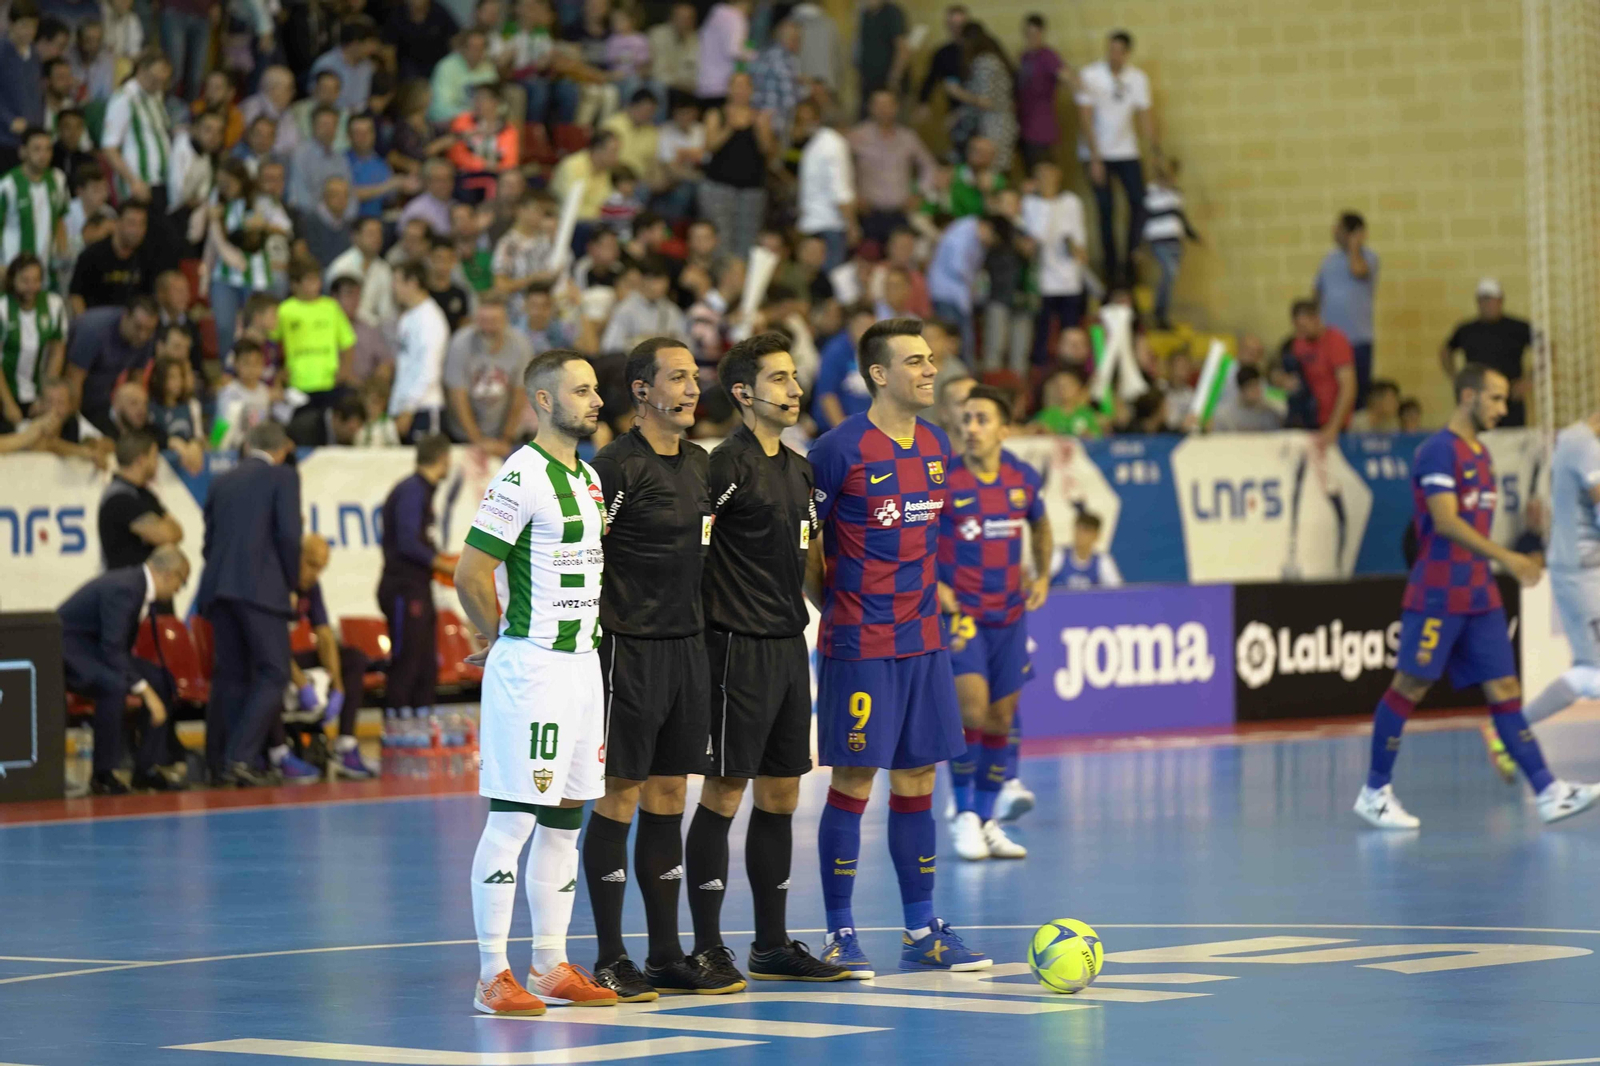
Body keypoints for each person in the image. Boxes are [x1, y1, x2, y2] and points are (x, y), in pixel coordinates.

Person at [807, 317, 990, 977]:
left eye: (931, 358)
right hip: (859, 641)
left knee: (917, 778)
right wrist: (838, 609)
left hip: (923, 641)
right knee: (855, 780)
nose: (929, 370)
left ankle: (922, 930)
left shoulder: (937, 444)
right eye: (914, 361)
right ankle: (840, 934)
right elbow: (809, 544)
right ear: (878, 374)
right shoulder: (839, 448)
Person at [1353, 364, 1598, 829]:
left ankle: (1548, 791)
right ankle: (1375, 792)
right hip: (1438, 592)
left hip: (1479, 594)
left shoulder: (1481, 455)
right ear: (1468, 396)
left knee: (1505, 690)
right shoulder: (1436, 452)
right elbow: (1445, 522)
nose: (1503, 409)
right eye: (1496, 399)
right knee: (1410, 686)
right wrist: (1510, 557)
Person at [451, 348, 618, 1016]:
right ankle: (493, 973)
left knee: (563, 822)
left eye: (596, 389)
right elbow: (470, 571)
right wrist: (497, 638)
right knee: (514, 818)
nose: (596, 400)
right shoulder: (522, 473)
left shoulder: (588, 477)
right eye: (581, 391)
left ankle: (549, 964)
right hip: (535, 667)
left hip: (583, 668)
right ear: (543, 401)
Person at [683, 332, 851, 982]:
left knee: (782, 791)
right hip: (733, 649)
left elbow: (809, 557)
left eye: (795, 377)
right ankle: (706, 945)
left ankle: (772, 944)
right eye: (780, 379)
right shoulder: (723, 465)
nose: (795, 389)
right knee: (725, 790)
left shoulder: (801, 468)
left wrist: (830, 606)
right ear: (744, 393)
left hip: (788, 645)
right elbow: (694, 553)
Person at [582, 336, 732, 1000]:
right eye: (678, 377)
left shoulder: (700, 463)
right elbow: (583, 552)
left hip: (687, 649)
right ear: (641, 391)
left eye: (695, 376)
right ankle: (612, 956)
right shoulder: (612, 467)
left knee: (670, 796)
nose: (693, 388)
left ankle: (668, 953)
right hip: (626, 649)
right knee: (620, 795)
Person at [939, 385, 1051, 862]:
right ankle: (964, 815)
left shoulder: (1022, 478)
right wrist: (933, 585)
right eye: (966, 420)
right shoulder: (944, 480)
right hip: (962, 616)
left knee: (1002, 718)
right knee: (971, 712)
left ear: (1005, 429)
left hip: (1010, 615)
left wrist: (1043, 573)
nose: (971, 428)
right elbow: (915, 536)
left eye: (982, 419)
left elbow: (1041, 525)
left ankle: (987, 819)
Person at [196, 421, 302, 787]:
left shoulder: (221, 481)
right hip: (262, 589)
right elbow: (289, 535)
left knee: (231, 676)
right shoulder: (283, 477)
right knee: (275, 672)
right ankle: (239, 757)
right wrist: (290, 582)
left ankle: (219, 762)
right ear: (283, 449)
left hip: (219, 589)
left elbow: (208, 542)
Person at [59, 544, 190, 794]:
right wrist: (147, 695)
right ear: (169, 575)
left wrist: (149, 688)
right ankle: (103, 775)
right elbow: (112, 650)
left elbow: (114, 649)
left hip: (95, 649)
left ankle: (145, 769)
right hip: (69, 650)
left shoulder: (138, 586)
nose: (178, 590)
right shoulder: (126, 588)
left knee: (160, 679)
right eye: (181, 583)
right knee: (113, 685)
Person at [378, 434, 457, 733]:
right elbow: (409, 543)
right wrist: (445, 566)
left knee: (425, 664)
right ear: (442, 457)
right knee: (407, 661)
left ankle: (423, 730)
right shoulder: (412, 491)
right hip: (403, 588)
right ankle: (397, 733)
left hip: (418, 588)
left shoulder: (422, 491)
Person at [291, 533, 379, 779]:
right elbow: (267, 643)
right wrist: (301, 683)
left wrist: (338, 685)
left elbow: (325, 636)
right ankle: (277, 754)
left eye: (320, 568)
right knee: (272, 665)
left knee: (354, 658)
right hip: (266, 657)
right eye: (310, 564)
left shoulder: (312, 587)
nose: (314, 574)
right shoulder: (277, 581)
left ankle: (345, 744)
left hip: (285, 657)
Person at [1074, 30, 1156, 286]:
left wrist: (1154, 152)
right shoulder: (1091, 75)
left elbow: (1145, 116)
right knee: (1106, 209)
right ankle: (1111, 268)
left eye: (1119, 51)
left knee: (1139, 203)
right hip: (1097, 153)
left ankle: (1130, 259)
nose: (1114, 55)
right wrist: (1096, 158)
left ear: (1127, 53)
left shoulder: (1138, 78)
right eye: (1110, 49)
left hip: (1127, 150)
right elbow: (1085, 118)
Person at [698, 72, 772, 266]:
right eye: (736, 86)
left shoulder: (760, 117)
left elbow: (767, 150)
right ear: (729, 89)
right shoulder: (716, 114)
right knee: (721, 238)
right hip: (719, 186)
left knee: (746, 241)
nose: (740, 91)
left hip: (751, 188)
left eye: (745, 86)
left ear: (751, 90)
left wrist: (760, 126)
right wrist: (729, 127)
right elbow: (709, 147)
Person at [444, 293, 532, 452]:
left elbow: (519, 395)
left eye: (494, 321)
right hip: (464, 435)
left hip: (506, 434)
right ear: (476, 320)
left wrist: (506, 438)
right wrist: (477, 440)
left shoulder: (521, 345)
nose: (488, 328)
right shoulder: (460, 343)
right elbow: (457, 395)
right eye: (483, 321)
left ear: (505, 320)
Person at [1439, 278, 1532, 428]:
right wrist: (1457, 378)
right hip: (1477, 403)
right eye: (1483, 300)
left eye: (1491, 300)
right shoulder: (1467, 330)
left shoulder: (1518, 328)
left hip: (1510, 403)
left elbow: (1547, 348)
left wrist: (1529, 381)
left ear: (1500, 301)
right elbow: (1446, 351)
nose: (1487, 304)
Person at [1021, 158, 1087, 365]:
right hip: (1041, 280)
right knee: (1041, 335)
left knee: (1070, 333)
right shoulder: (1029, 203)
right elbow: (1035, 238)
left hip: (1069, 280)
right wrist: (1045, 200)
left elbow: (1080, 243)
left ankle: (1070, 368)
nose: (1046, 180)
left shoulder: (1072, 202)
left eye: (1050, 175)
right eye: (1041, 176)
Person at [64, 295, 158, 432]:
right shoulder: (93, 329)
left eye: (149, 330)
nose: (143, 335)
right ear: (125, 316)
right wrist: (74, 425)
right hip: (71, 396)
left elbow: (135, 383)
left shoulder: (146, 337)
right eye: (138, 327)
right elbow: (73, 381)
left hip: (101, 399)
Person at [1314, 210, 1379, 408]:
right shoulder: (1329, 259)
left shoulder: (1368, 258)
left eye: (1339, 229)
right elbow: (1317, 292)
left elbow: (1358, 271)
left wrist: (1354, 246)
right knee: (1333, 390)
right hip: (1331, 339)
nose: (1334, 232)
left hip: (1358, 338)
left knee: (1357, 392)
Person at [274, 259, 356, 408]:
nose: (316, 284)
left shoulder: (331, 307)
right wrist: (278, 374)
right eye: (310, 280)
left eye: (317, 279)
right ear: (295, 284)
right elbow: (271, 341)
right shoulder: (284, 310)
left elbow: (347, 342)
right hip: (297, 383)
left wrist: (344, 371)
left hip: (329, 381)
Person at [97, 429, 182, 570]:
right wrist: (163, 528)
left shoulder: (144, 494)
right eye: (155, 456)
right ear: (141, 460)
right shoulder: (119, 498)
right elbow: (165, 535)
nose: (157, 463)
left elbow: (177, 532)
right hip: (122, 585)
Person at [0, 253, 66, 428]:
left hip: (35, 392)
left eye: (36, 280)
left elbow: (57, 351)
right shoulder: (2, 308)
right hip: (5, 392)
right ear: (12, 280)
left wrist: (46, 398)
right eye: (25, 281)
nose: (31, 287)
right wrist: (8, 404)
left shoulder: (54, 304)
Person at [101, 51, 173, 209]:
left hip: (160, 181)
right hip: (139, 183)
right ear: (141, 70)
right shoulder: (124, 98)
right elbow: (109, 148)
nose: (159, 86)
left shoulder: (155, 95)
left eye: (163, 81)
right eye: (154, 80)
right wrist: (133, 181)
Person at [392, 261, 453, 441]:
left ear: (412, 283)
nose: (393, 288)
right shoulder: (408, 317)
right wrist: (397, 407)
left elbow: (429, 368)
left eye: (397, 281)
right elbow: (405, 368)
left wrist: (408, 408)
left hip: (425, 407)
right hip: (405, 409)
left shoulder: (430, 318)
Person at [68, 198, 154, 316]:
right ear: (117, 223)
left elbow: (148, 299)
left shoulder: (146, 256)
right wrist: (84, 323)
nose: (137, 230)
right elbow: (76, 295)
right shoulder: (92, 255)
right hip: (96, 323)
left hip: (131, 326)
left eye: (142, 224)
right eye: (131, 223)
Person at [0, 127, 67, 268]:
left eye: (48, 149)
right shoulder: (7, 185)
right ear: (23, 151)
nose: (43, 155)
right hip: (12, 271)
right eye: (37, 149)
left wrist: (63, 250)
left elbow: (60, 217)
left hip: (48, 270)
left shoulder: (58, 179)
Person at [1016, 14, 1065, 170]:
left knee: (1046, 172)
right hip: (1025, 127)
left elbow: (1064, 75)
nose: (1032, 38)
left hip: (1042, 129)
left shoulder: (1047, 56)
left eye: (1036, 34)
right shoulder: (1024, 57)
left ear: (1042, 34)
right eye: (1029, 34)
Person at [855, 0, 908, 114]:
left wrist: (895, 78)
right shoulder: (864, 15)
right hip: (869, 82)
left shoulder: (892, 13)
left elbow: (902, 48)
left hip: (887, 84)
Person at [1052, 510, 1120, 589]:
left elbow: (1117, 591)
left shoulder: (1103, 561)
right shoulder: (1058, 555)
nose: (1080, 535)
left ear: (1096, 536)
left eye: (1086, 531)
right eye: (1078, 529)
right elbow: (1038, 582)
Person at [1210, 365, 1285, 433]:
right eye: (1251, 387)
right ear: (1241, 390)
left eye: (1257, 385)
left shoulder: (1269, 413)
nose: (1256, 391)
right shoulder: (1224, 416)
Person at [287, 392, 368, 447]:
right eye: (351, 429)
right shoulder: (306, 430)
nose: (353, 435)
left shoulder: (344, 437)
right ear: (337, 418)